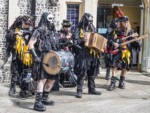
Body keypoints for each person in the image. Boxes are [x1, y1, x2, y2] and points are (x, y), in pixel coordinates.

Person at [28, 12, 58, 111]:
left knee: (52, 79)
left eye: (52, 18)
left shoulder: (51, 32)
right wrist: (35, 56)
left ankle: (45, 98)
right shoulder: (38, 31)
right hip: (42, 57)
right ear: (45, 19)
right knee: (42, 79)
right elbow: (30, 44)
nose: (52, 21)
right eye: (50, 18)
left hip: (52, 57)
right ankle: (37, 103)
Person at [108, 16, 141, 91]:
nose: (126, 23)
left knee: (124, 67)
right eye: (124, 22)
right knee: (115, 67)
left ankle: (121, 82)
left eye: (127, 22)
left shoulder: (130, 32)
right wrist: (114, 43)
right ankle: (112, 83)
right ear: (121, 23)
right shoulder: (116, 31)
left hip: (126, 52)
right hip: (117, 52)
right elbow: (110, 40)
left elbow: (134, 43)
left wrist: (137, 41)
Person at [73, 13, 102, 98]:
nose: (90, 23)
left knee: (92, 72)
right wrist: (83, 40)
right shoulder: (78, 29)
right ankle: (79, 90)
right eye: (88, 21)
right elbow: (75, 42)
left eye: (91, 21)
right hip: (83, 54)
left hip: (92, 54)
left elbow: (97, 38)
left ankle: (91, 89)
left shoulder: (93, 28)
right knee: (82, 73)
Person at [5, 15, 35, 96]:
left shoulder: (29, 30)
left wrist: (27, 32)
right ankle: (12, 88)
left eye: (28, 24)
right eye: (26, 23)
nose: (27, 25)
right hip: (16, 54)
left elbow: (34, 36)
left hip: (26, 55)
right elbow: (8, 36)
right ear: (21, 22)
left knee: (26, 72)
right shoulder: (14, 30)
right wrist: (15, 33)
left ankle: (24, 88)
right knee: (15, 72)